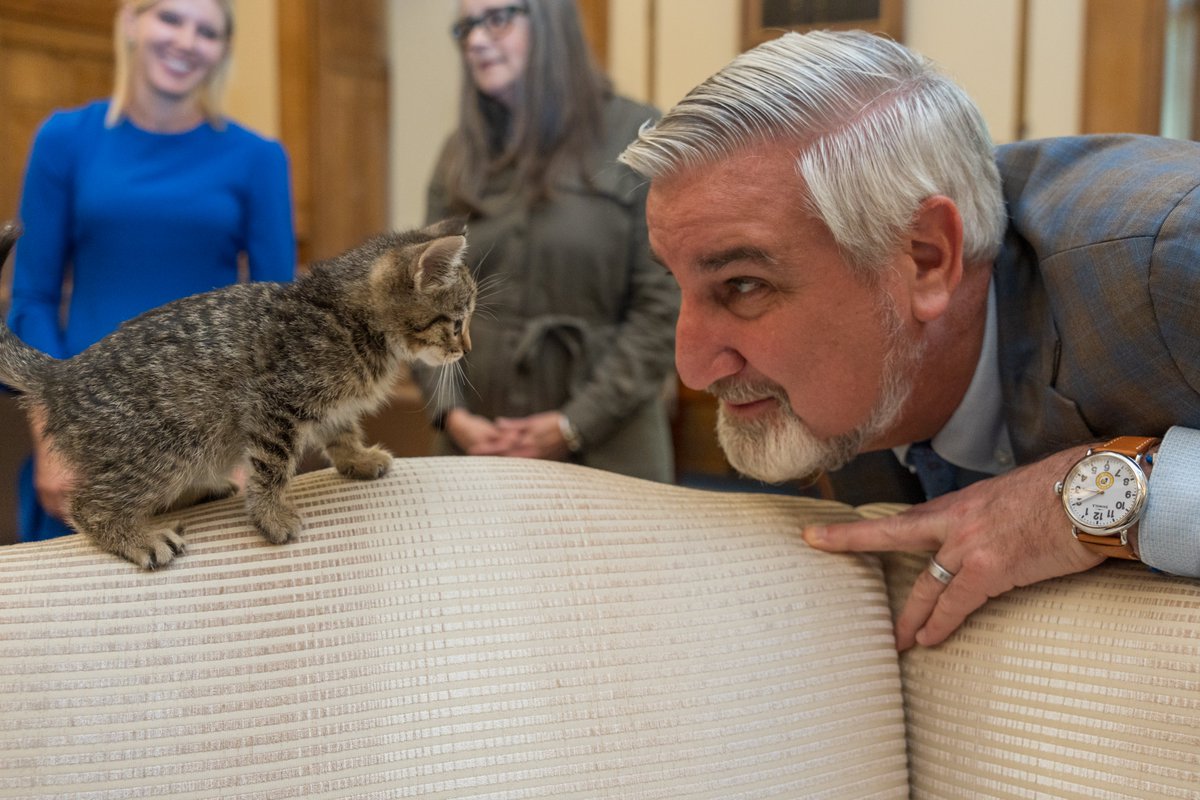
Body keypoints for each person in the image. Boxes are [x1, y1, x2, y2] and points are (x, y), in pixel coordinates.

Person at [618, 30, 1200, 649]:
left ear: (926, 258)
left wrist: (1091, 501)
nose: (692, 368)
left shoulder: (1170, 254)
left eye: (742, 286)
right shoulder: (843, 388)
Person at [7, 0, 296, 541]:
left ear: (223, 51)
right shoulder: (64, 140)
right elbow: (33, 299)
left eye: (207, 31)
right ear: (131, 22)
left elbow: (280, 323)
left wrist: (247, 458)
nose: (186, 41)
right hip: (84, 432)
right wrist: (52, 440)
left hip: (208, 447)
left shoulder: (258, 159)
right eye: (170, 18)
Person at [416, 0, 679, 481]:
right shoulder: (458, 154)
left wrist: (574, 424)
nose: (475, 41)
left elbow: (661, 308)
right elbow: (418, 303)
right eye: (466, 26)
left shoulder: (635, 135)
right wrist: (451, 415)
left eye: (496, 19)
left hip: (608, 449)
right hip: (475, 449)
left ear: (551, 23)